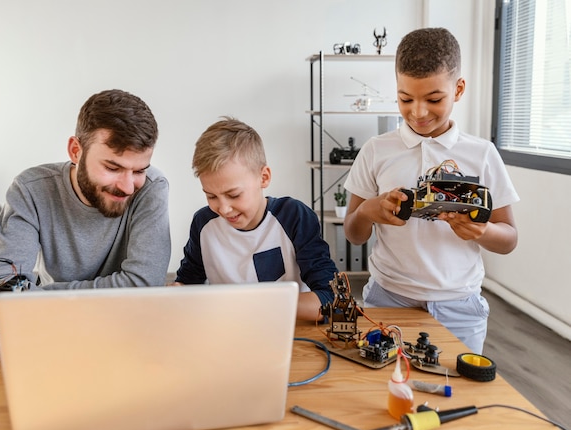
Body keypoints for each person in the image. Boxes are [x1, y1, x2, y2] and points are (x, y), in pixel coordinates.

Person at [343, 28, 519, 353]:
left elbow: (509, 238)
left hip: (459, 305)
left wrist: (481, 231)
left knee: (459, 392)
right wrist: (369, 210)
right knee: (385, 389)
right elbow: (354, 233)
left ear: (459, 89)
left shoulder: (482, 153)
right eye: (405, 99)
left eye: (434, 99)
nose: (418, 112)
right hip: (388, 297)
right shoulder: (375, 150)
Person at [0, 89, 171, 289]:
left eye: (139, 171)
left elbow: (144, 283)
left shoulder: (152, 188)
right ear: (76, 151)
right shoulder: (30, 190)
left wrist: (39, 295)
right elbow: (6, 284)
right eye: (112, 168)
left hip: (120, 316)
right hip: (50, 317)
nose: (128, 188)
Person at [174, 117, 338, 321]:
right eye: (211, 196)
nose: (223, 208)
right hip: (227, 331)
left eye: (234, 195)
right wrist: (176, 293)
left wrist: (252, 305)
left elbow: (332, 302)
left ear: (264, 178)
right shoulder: (203, 223)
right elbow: (188, 285)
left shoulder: (294, 216)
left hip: (287, 331)